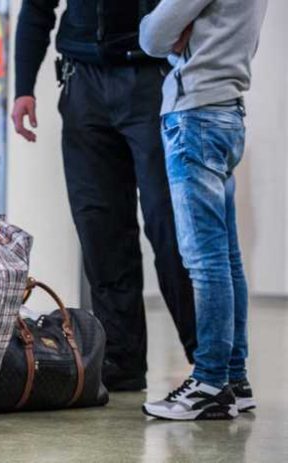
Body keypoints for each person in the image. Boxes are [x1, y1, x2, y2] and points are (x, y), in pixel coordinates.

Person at [12, 0, 197, 392]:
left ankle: (209, 363)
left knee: (172, 226)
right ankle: (122, 360)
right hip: (83, 84)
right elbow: (36, 10)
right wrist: (22, 88)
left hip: (151, 79)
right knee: (100, 229)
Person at [140, 0, 268, 421]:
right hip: (228, 113)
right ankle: (234, 378)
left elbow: (153, 35)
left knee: (205, 260)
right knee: (227, 259)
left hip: (194, 115)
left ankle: (210, 381)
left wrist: (179, 35)